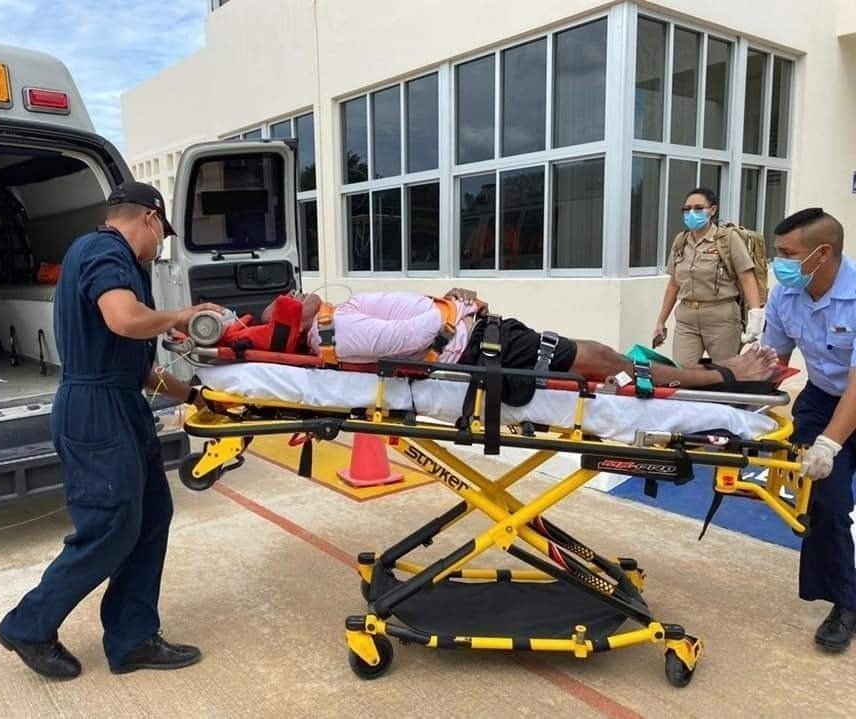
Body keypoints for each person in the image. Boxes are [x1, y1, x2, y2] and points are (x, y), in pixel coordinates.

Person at [0, 181, 226, 680]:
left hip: (121, 402)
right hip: (95, 409)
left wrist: (195, 396)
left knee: (151, 517)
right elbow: (124, 321)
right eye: (162, 235)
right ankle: (28, 625)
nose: (159, 246)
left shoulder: (121, 264)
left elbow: (138, 368)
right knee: (110, 527)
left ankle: (132, 639)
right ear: (150, 218)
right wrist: (182, 315)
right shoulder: (104, 251)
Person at [256, 288, 779, 390]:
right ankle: (717, 376)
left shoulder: (336, 317)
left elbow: (416, 319)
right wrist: (457, 308)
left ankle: (702, 373)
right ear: (291, 324)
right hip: (480, 348)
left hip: (483, 335)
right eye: (286, 302)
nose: (294, 294)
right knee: (599, 359)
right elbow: (414, 333)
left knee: (602, 358)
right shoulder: (339, 331)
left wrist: (453, 302)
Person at [763, 207, 856, 652]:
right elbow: (774, 363)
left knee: (826, 463)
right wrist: (737, 396)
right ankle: (845, 603)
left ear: (822, 253)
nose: (778, 263)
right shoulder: (786, 295)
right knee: (825, 502)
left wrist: (829, 444)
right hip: (822, 397)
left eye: (787, 253)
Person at [653, 187, 763, 366]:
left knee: (725, 372)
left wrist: (756, 316)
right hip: (687, 318)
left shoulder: (728, 239)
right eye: (687, 209)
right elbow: (674, 283)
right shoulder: (681, 241)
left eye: (698, 208)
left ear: (712, 210)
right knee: (682, 371)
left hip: (721, 318)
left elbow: (747, 277)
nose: (691, 213)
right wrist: (661, 321)